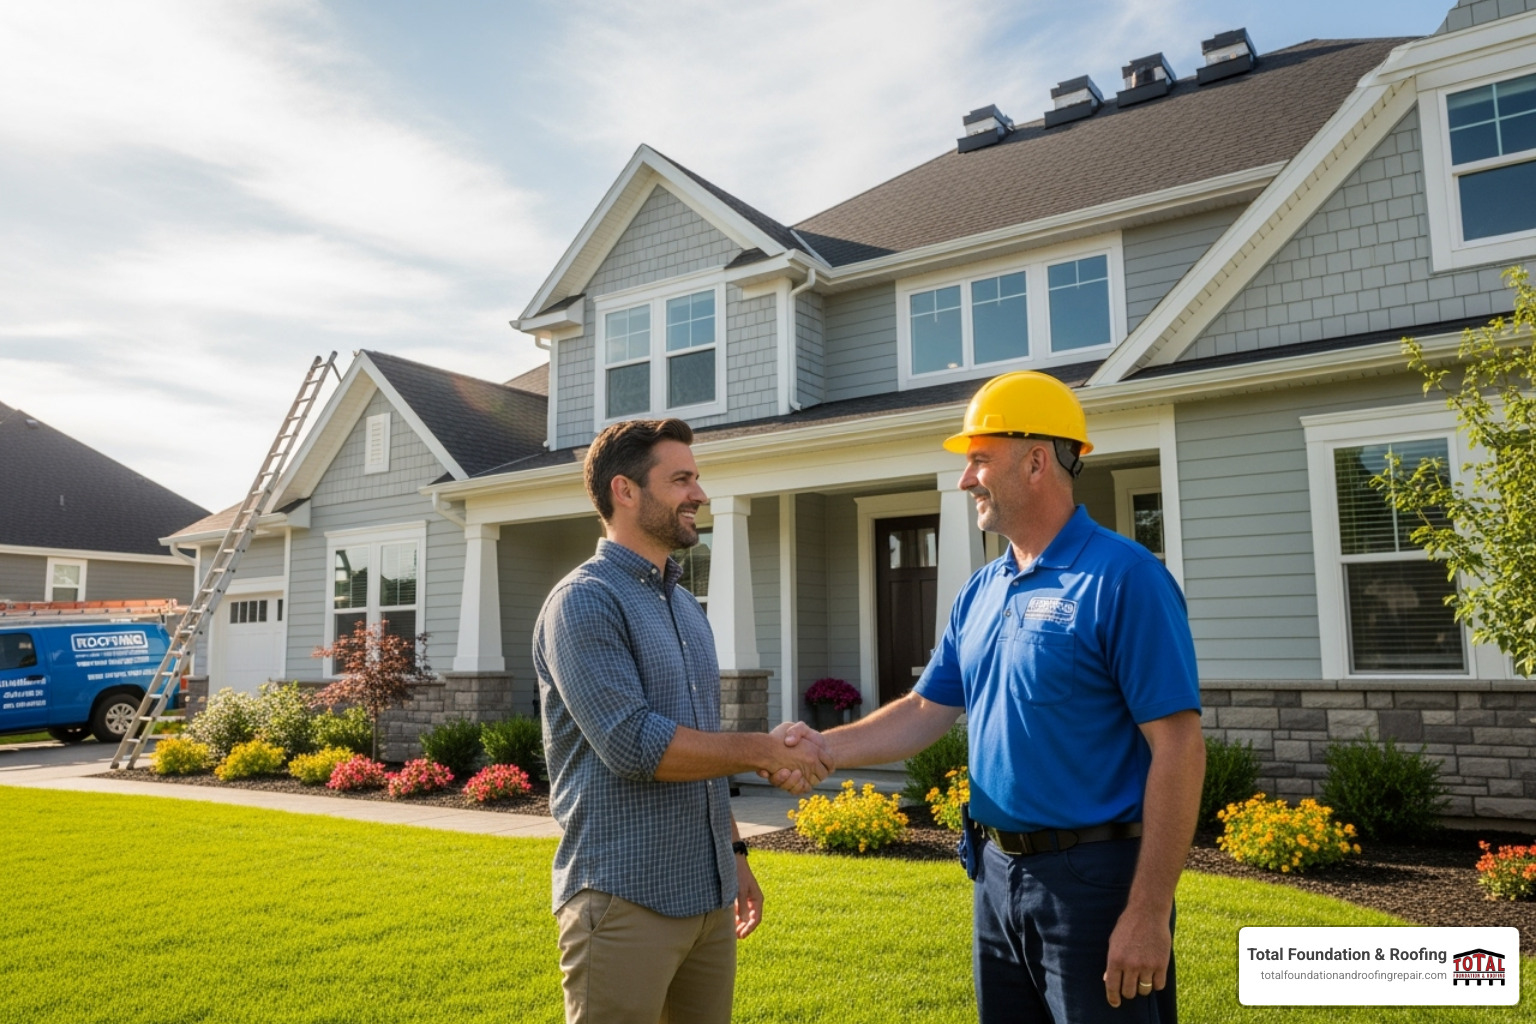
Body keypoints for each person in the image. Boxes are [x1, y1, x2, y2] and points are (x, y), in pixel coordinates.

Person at [781, 370, 1205, 1023]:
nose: (964, 479)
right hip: (997, 876)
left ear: (1037, 461)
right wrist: (822, 746)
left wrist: (1147, 912)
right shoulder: (982, 591)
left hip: (1097, 883)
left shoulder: (1126, 579)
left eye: (979, 460)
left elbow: (1177, 747)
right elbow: (926, 710)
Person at [534, 417, 832, 1024]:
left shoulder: (684, 605)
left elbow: (701, 749)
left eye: (696, 479)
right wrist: (765, 750)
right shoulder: (584, 601)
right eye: (681, 480)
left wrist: (736, 853)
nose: (700, 494)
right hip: (623, 900)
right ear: (625, 491)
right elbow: (634, 744)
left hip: (708, 896)